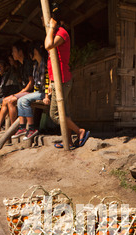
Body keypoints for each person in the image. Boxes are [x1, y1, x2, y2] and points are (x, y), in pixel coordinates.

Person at [44, 3, 90, 149]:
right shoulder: (57, 33)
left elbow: (48, 45)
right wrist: (51, 83)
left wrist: (51, 28)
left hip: (62, 79)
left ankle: (80, 131)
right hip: (57, 80)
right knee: (65, 113)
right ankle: (68, 141)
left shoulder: (62, 33)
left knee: (55, 115)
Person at [0, 42, 34, 134]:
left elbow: (31, 83)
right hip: (24, 91)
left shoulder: (27, 63)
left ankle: (14, 128)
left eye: (14, 51)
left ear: (20, 52)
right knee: (5, 100)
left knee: (10, 100)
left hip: (29, 92)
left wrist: (21, 91)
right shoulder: (21, 65)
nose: (12, 53)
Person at [12, 41, 50, 140]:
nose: (30, 54)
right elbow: (37, 84)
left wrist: (46, 96)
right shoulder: (36, 65)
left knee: (24, 100)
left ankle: (32, 128)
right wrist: (32, 95)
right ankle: (22, 128)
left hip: (45, 92)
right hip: (39, 92)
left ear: (36, 51)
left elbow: (47, 81)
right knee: (21, 100)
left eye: (31, 51)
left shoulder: (45, 63)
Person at [0, 59, 20, 127]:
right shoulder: (2, 77)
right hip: (5, 96)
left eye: (1, 67)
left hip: (10, 96)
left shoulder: (9, 75)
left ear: (5, 67)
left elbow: (4, 89)